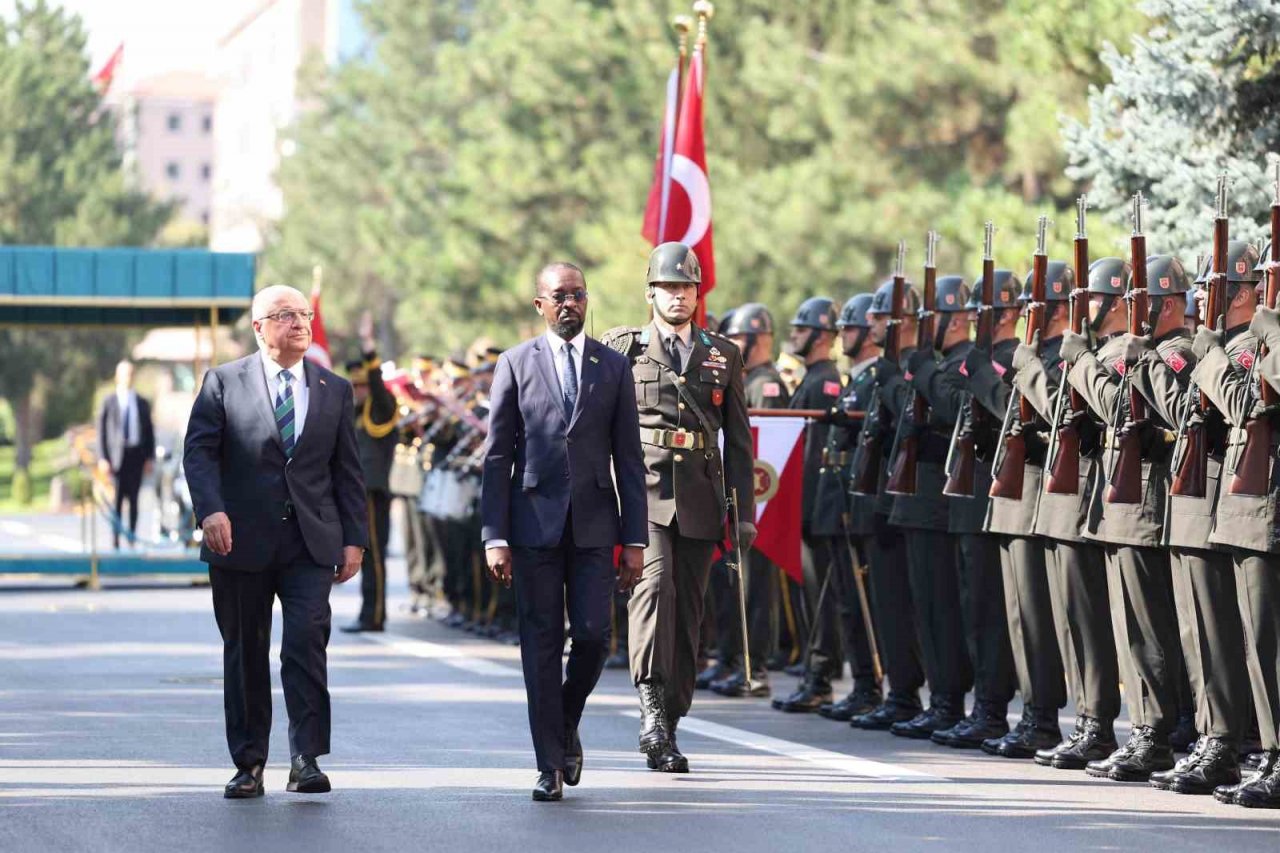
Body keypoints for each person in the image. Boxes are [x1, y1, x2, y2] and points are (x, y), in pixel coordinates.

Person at [184, 284, 366, 799]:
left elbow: (347, 471)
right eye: (285, 315)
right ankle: (249, 762)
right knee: (246, 650)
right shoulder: (222, 383)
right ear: (259, 327)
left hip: (310, 542)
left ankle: (306, 758)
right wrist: (210, 511)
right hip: (238, 540)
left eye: (304, 314)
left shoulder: (334, 388)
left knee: (307, 642)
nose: (300, 323)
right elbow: (198, 453)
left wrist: (355, 540)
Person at [480, 262, 646, 802]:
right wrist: (494, 535)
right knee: (541, 646)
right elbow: (497, 455)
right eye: (559, 296)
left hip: (597, 526)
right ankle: (548, 764)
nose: (569, 303)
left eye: (577, 295)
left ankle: (565, 719)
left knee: (595, 637)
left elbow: (629, 456)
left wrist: (636, 539)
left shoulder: (612, 366)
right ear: (540, 306)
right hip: (533, 529)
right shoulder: (514, 363)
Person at [602, 242, 755, 774]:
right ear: (651, 292)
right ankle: (651, 708)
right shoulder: (623, 349)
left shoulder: (723, 355)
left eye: (687, 287)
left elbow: (738, 442)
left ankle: (672, 715)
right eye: (669, 287)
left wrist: (746, 513)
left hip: (700, 496)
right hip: (641, 493)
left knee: (688, 613)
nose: (678, 296)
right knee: (654, 590)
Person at [710, 303, 792, 699]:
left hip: (763, 498)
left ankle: (752, 664)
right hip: (741, 497)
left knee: (754, 589)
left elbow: (763, 447)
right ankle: (732, 659)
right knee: (732, 586)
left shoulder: (765, 385)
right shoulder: (745, 380)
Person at [342, 312, 399, 633]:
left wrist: (368, 349)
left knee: (374, 558)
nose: (358, 390)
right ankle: (368, 612)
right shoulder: (351, 412)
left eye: (362, 385)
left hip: (374, 493)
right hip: (356, 493)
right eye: (354, 386)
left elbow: (378, 388)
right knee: (362, 557)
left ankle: (374, 615)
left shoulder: (381, 407)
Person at [97, 360, 156, 549]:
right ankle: (115, 541)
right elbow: (102, 433)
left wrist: (149, 458)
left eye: (131, 374)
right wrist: (103, 458)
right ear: (118, 376)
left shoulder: (141, 402)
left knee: (134, 500)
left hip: (136, 457)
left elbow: (149, 432)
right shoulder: (109, 402)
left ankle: (131, 538)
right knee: (117, 501)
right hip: (116, 459)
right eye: (125, 374)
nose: (128, 378)